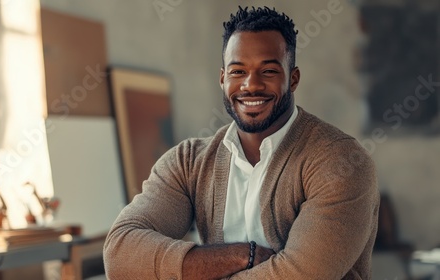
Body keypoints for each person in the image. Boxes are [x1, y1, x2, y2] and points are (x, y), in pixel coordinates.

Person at [104, 6, 379, 280]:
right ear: (223, 78)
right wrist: (243, 255)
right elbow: (120, 254)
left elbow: (301, 276)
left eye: (268, 71)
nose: (251, 85)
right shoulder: (187, 162)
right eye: (238, 71)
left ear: (293, 79)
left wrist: (195, 270)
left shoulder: (341, 161)